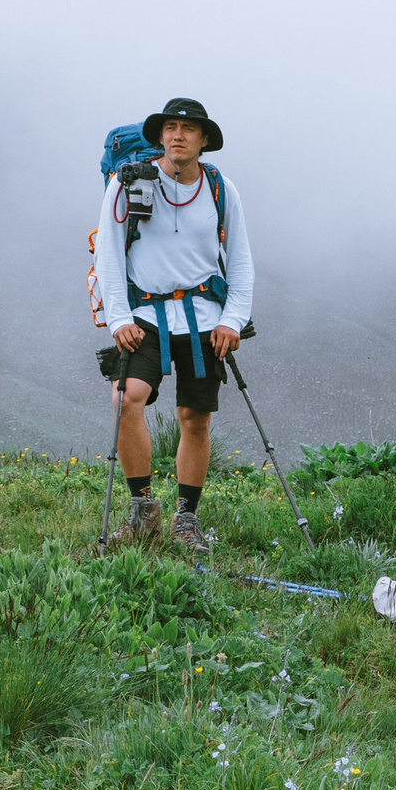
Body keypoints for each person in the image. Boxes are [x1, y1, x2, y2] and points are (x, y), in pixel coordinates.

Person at [95, 97, 255, 552]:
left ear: (204, 141)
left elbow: (240, 260)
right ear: (159, 135)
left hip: (205, 317)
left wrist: (233, 320)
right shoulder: (128, 185)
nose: (177, 134)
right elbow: (108, 253)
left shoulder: (222, 188)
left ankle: (187, 518)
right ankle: (142, 509)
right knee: (126, 398)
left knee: (194, 418)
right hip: (144, 314)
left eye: (188, 128)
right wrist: (119, 318)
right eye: (170, 126)